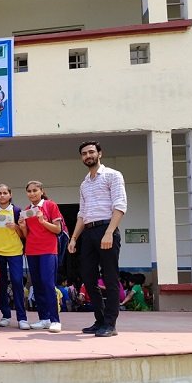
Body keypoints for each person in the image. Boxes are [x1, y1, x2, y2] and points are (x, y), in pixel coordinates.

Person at [67, 141, 127, 337]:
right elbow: (82, 213)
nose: (88, 156)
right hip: (88, 232)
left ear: (99, 153)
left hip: (106, 228)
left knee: (110, 277)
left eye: (91, 152)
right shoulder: (84, 184)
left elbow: (120, 205)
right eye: (84, 153)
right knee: (88, 277)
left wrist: (109, 232)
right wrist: (74, 238)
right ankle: (100, 320)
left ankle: (110, 324)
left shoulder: (113, 175)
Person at [18, 181, 63, 333]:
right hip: (31, 250)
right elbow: (26, 235)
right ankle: (44, 319)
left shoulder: (50, 205)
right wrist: (22, 227)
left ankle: (55, 320)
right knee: (36, 285)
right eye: (29, 191)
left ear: (41, 191)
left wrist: (43, 221)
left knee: (47, 283)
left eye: (35, 190)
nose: (32, 193)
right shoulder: (27, 211)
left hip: (48, 250)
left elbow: (58, 229)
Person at [0, 184, 29, 330]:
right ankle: (5, 315)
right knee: (1, 284)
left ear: (10, 195)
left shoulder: (17, 212)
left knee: (17, 282)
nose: (2, 195)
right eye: (0, 193)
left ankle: (22, 318)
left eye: (5, 193)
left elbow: (24, 235)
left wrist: (15, 227)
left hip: (15, 252)